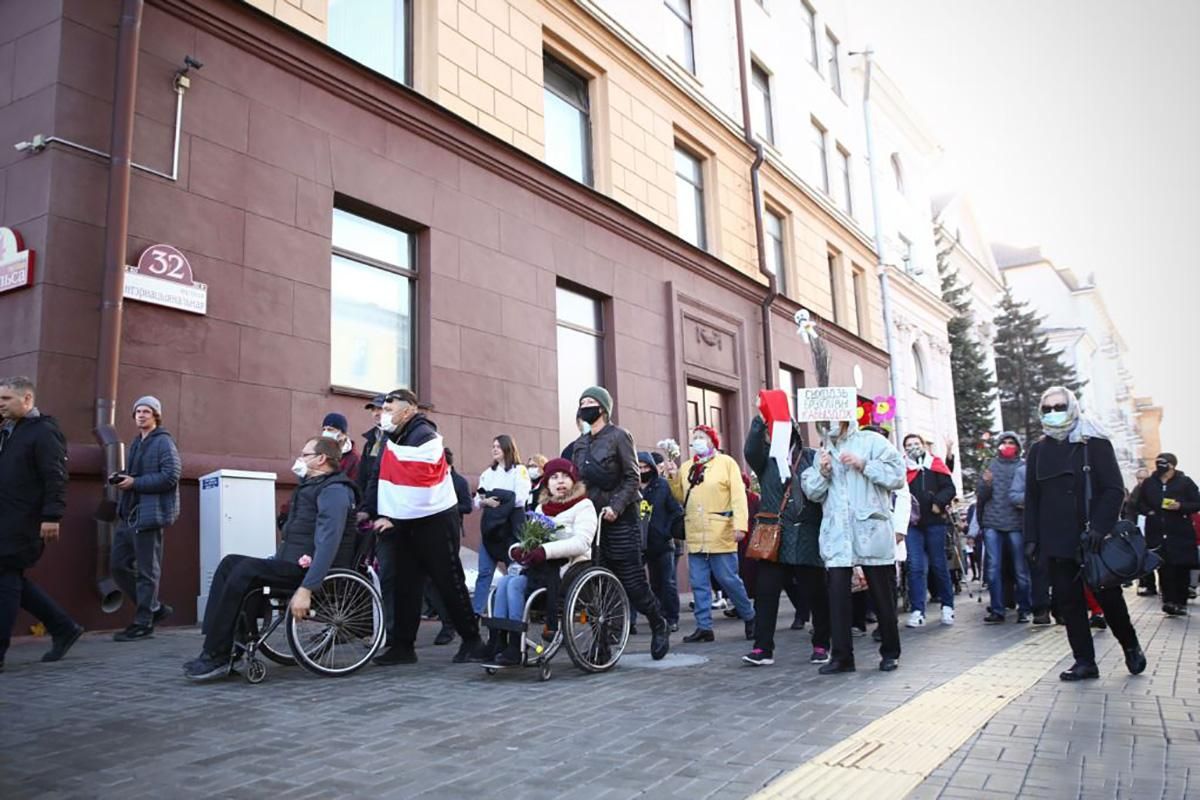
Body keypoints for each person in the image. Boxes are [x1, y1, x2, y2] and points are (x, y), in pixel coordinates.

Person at [184, 436, 358, 681]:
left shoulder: (335, 492)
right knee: (229, 563)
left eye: (305, 454)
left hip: (313, 572)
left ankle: (218, 655)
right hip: (291, 562)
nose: (300, 459)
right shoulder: (309, 487)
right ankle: (219, 646)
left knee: (244, 570)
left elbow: (328, 543)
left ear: (321, 459)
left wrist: (307, 588)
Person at [1023, 385, 1146, 681]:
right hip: (1055, 540)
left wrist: (1100, 528)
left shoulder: (1093, 443)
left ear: (1073, 407)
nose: (1053, 413)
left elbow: (1114, 489)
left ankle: (1130, 645)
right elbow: (1033, 498)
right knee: (1068, 602)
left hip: (1091, 538)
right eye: (1047, 409)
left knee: (1109, 598)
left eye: (1059, 406)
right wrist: (1031, 539)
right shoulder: (1038, 450)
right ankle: (1084, 661)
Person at [368, 390, 484, 665]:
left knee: (448, 580)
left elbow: (419, 480)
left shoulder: (424, 434)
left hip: (434, 518)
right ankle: (403, 646)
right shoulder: (392, 437)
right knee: (405, 583)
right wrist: (371, 509)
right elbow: (381, 475)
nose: (383, 413)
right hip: (405, 520)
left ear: (408, 411)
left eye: (389, 407)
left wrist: (392, 517)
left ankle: (473, 641)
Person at [567, 386, 670, 660]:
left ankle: (658, 622)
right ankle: (602, 642)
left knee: (633, 583)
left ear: (603, 407)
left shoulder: (620, 436)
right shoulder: (580, 444)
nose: (585, 406)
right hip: (592, 521)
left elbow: (632, 477)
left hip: (621, 519)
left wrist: (616, 506)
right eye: (581, 402)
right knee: (596, 587)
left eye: (590, 402)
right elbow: (578, 482)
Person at [801, 416, 906, 673]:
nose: (830, 424)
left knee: (882, 595)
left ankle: (890, 652)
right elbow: (812, 493)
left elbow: (898, 476)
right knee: (837, 597)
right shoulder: (823, 451)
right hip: (837, 534)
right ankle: (841, 657)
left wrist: (864, 464)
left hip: (869, 529)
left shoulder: (872, 441)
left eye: (834, 418)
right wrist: (823, 472)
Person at [0, 377, 82, 671]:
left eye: (6, 399)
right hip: (6, 518)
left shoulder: (44, 431)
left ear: (27, 399)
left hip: (25, 520)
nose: (0, 404)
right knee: (10, 579)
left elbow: (56, 476)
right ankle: (63, 627)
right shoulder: (8, 431)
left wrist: (52, 517)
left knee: (7, 576)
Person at [742, 391, 829, 667]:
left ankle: (821, 643)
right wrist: (762, 418)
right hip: (772, 537)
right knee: (766, 592)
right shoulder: (766, 460)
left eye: (783, 429)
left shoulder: (812, 457)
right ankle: (762, 648)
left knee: (814, 592)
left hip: (805, 535)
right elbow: (750, 449)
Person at [488, 459, 597, 666]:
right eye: (554, 477)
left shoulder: (584, 505)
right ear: (547, 483)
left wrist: (544, 551)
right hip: (540, 569)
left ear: (573, 480)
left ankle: (514, 646)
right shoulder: (541, 508)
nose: (560, 481)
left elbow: (582, 543)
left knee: (515, 583)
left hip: (569, 569)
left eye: (565, 476)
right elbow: (532, 539)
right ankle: (503, 642)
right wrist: (518, 550)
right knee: (506, 584)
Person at [666, 424, 755, 643]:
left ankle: (750, 616)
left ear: (712, 441)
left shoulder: (726, 463)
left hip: (720, 529)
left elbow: (738, 496)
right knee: (699, 582)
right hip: (696, 531)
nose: (697, 440)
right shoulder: (687, 467)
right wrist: (672, 478)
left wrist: (740, 525)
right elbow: (680, 496)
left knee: (728, 578)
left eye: (701, 437)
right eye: (694, 437)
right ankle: (704, 626)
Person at [110, 396, 182, 641]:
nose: (141, 415)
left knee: (147, 571)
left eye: (147, 412)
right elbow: (137, 475)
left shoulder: (163, 442)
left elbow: (171, 475)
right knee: (118, 566)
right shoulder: (137, 443)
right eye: (138, 411)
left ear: (156, 416)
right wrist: (123, 478)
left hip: (149, 515)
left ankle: (143, 622)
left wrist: (135, 483)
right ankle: (153, 607)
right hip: (129, 513)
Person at [976, 432, 1032, 624]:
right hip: (993, 522)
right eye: (1004, 443)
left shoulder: (1023, 467)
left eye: (1011, 443)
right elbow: (981, 496)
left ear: (1017, 446)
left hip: (1016, 523)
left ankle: (1024, 608)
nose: (1007, 446)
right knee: (993, 568)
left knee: (1020, 569)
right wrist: (986, 483)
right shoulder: (990, 465)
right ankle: (997, 609)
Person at [902, 433, 957, 627]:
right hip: (913, 525)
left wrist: (938, 502)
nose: (913, 447)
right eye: (909, 445)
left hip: (935, 522)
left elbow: (950, 488)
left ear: (924, 445)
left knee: (938, 565)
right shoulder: (902, 468)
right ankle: (918, 610)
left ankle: (947, 606)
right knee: (916, 567)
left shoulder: (935, 465)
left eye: (916, 443)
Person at [473, 435, 531, 615]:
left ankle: (512, 614)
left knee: (514, 572)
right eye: (493, 446)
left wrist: (499, 498)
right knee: (484, 573)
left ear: (508, 448)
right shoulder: (487, 473)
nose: (495, 449)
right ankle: (476, 612)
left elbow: (520, 498)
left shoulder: (519, 471)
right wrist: (486, 501)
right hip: (491, 527)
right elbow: (479, 498)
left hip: (512, 527)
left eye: (498, 446)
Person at [1136, 453, 1200, 616]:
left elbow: (1196, 503)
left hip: (1180, 532)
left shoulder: (1184, 482)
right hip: (1157, 532)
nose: (1159, 466)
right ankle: (1169, 601)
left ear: (1172, 465)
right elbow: (1139, 503)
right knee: (1164, 567)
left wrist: (1181, 506)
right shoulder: (1150, 483)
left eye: (1163, 463)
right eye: (1157, 462)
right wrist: (1149, 512)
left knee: (1180, 567)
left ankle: (1180, 601)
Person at [423, 447, 472, 646]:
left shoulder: (459, 481)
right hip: (427, 534)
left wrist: (446, 507)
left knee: (448, 580)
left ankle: (454, 625)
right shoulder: (430, 479)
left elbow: (467, 506)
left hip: (449, 535)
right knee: (428, 581)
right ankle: (443, 617)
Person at [637, 451, 683, 634]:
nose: (642, 470)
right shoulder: (632, 487)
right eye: (639, 467)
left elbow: (675, 510)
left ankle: (672, 618)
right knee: (651, 584)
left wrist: (667, 530)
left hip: (662, 543)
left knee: (668, 582)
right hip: (640, 543)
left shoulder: (662, 486)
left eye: (645, 467)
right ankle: (657, 617)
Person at [320, 412, 360, 481]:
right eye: (324, 429)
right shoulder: (318, 451)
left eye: (330, 429)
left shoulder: (354, 458)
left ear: (343, 434)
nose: (325, 433)